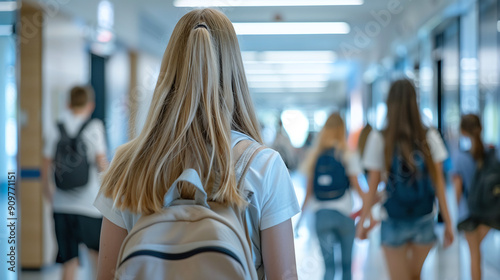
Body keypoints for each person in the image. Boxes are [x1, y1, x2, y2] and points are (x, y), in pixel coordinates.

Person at [94, 8, 300, 280]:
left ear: (169, 70)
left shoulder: (127, 165)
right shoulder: (264, 166)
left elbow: (107, 275)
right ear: (235, 71)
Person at [357, 79, 454, 280]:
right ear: (415, 101)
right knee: (415, 276)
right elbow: (439, 185)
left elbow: (372, 186)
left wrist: (363, 221)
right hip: (424, 217)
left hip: (393, 219)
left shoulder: (380, 137)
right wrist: (448, 223)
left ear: (389, 103)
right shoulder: (430, 136)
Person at [42, 85, 108, 280]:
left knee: (68, 261)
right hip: (89, 206)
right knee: (97, 258)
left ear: (68, 103)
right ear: (90, 105)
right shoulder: (95, 127)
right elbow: (102, 164)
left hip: (61, 206)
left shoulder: (55, 128)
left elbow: (45, 166)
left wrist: (49, 194)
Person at [301, 113, 365, 280]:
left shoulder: (315, 157)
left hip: (322, 216)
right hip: (345, 216)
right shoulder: (347, 155)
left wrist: (299, 221)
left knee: (328, 269)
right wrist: (369, 211)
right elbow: (358, 188)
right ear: (342, 130)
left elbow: (308, 193)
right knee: (346, 268)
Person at [452, 114, 491, 280]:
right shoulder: (492, 153)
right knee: (477, 252)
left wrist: (455, 216)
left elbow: (457, 191)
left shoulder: (460, 158)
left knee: (474, 254)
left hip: (469, 214)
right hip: (489, 213)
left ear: (462, 131)